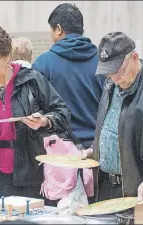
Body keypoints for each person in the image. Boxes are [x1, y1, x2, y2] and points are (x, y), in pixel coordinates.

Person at [0, 25, 70, 200]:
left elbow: (63, 113)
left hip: (27, 173)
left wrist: (44, 121)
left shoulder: (31, 80)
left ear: (7, 57)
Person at [82, 32, 143, 205]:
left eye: (119, 71)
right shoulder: (110, 85)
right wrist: (94, 150)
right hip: (105, 188)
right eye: (109, 73)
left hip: (140, 193)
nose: (115, 79)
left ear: (134, 57)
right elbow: (112, 127)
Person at [32, 3, 105, 149]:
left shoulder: (43, 63)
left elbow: (34, 109)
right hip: (96, 148)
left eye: (51, 31)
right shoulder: (103, 62)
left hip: (58, 150)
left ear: (58, 29)